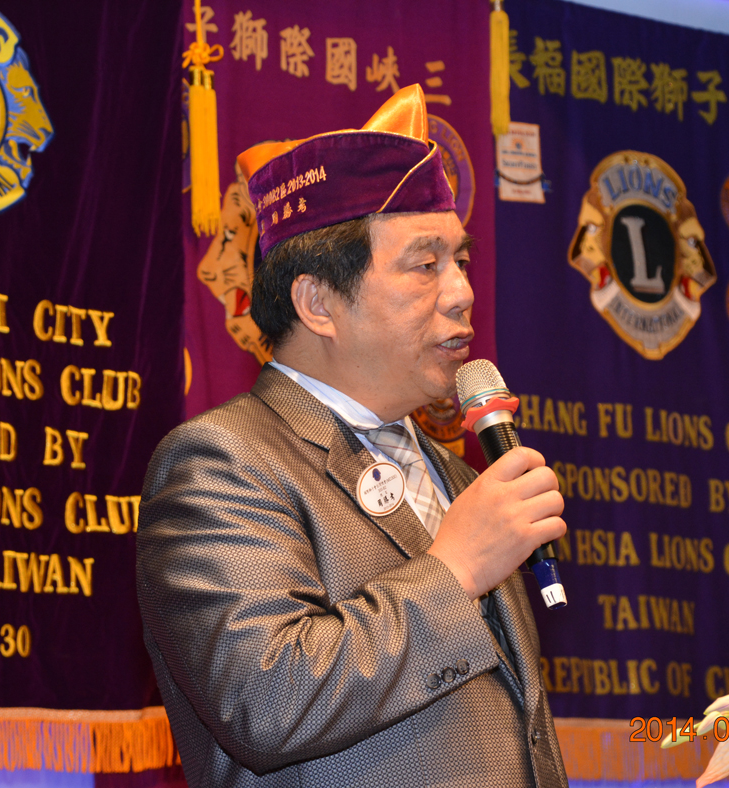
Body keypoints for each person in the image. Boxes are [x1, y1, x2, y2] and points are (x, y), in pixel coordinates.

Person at [137, 85, 569, 788]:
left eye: (461, 261)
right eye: (426, 265)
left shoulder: (461, 479)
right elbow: (265, 700)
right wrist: (455, 569)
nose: (462, 292)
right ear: (317, 303)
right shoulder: (222, 462)